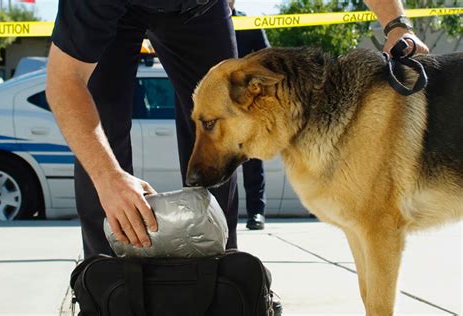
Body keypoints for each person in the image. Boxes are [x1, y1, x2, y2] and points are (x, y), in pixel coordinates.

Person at [46, 0, 428, 259]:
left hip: (199, 9)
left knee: (221, 126)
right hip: (115, 11)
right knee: (103, 129)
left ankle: (218, 278)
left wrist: (396, 25)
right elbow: (63, 82)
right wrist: (108, 176)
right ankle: (105, 284)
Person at [229, 0, 269, 230]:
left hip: (248, 106)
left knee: (252, 160)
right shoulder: (203, 24)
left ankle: (256, 212)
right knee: (220, 159)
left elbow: (269, 58)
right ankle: (220, 215)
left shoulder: (250, 23)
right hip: (220, 106)